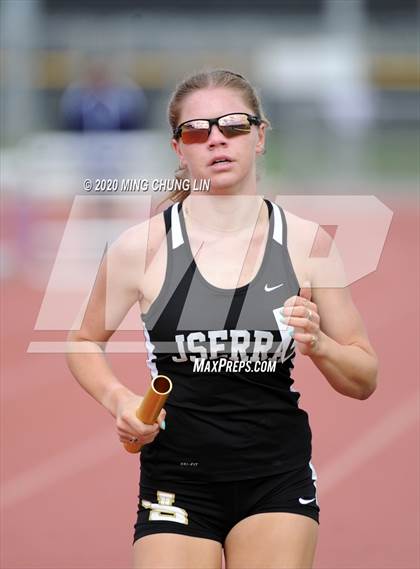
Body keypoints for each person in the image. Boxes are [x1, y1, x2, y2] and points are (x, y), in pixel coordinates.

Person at [66, 69, 378, 569]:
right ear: (179, 150)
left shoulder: (306, 244)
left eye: (233, 125)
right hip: (176, 477)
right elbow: (82, 342)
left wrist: (319, 342)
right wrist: (119, 398)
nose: (216, 139)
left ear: (259, 136)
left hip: (275, 475)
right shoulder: (139, 249)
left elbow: (364, 378)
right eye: (197, 130)